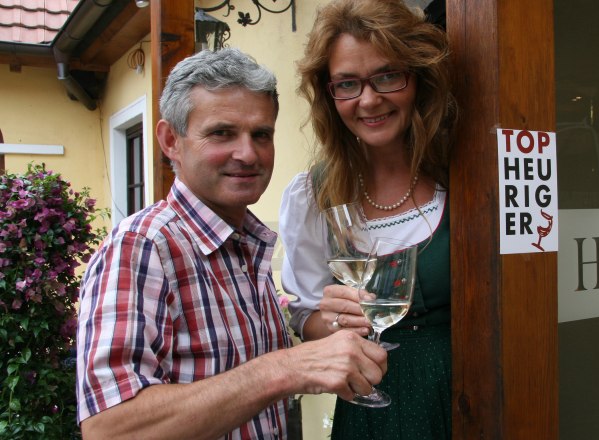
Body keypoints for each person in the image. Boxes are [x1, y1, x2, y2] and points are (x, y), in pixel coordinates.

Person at [75, 48, 387, 440]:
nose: (248, 153)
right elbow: (109, 429)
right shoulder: (143, 248)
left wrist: (334, 325)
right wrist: (285, 368)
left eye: (261, 135)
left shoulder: (243, 246)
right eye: (222, 133)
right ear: (171, 140)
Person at [279, 0, 457, 438]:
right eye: (347, 84)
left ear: (417, 78)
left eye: (387, 76)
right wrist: (336, 320)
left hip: (461, 395)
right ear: (329, 93)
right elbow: (307, 319)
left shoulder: (462, 175)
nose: (369, 99)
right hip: (370, 410)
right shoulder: (313, 194)